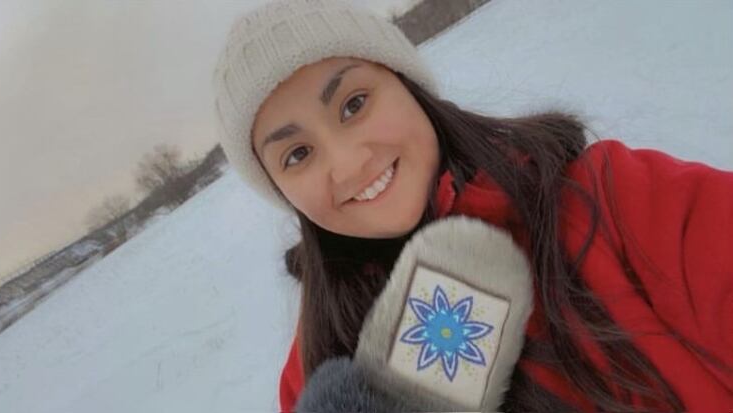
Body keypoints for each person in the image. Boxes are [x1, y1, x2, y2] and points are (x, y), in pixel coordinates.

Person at [212, 0, 733, 411]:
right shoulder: (318, 361)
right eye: (297, 154)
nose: (348, 165)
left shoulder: (612, 201)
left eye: (354, 104)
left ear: (407, 86)